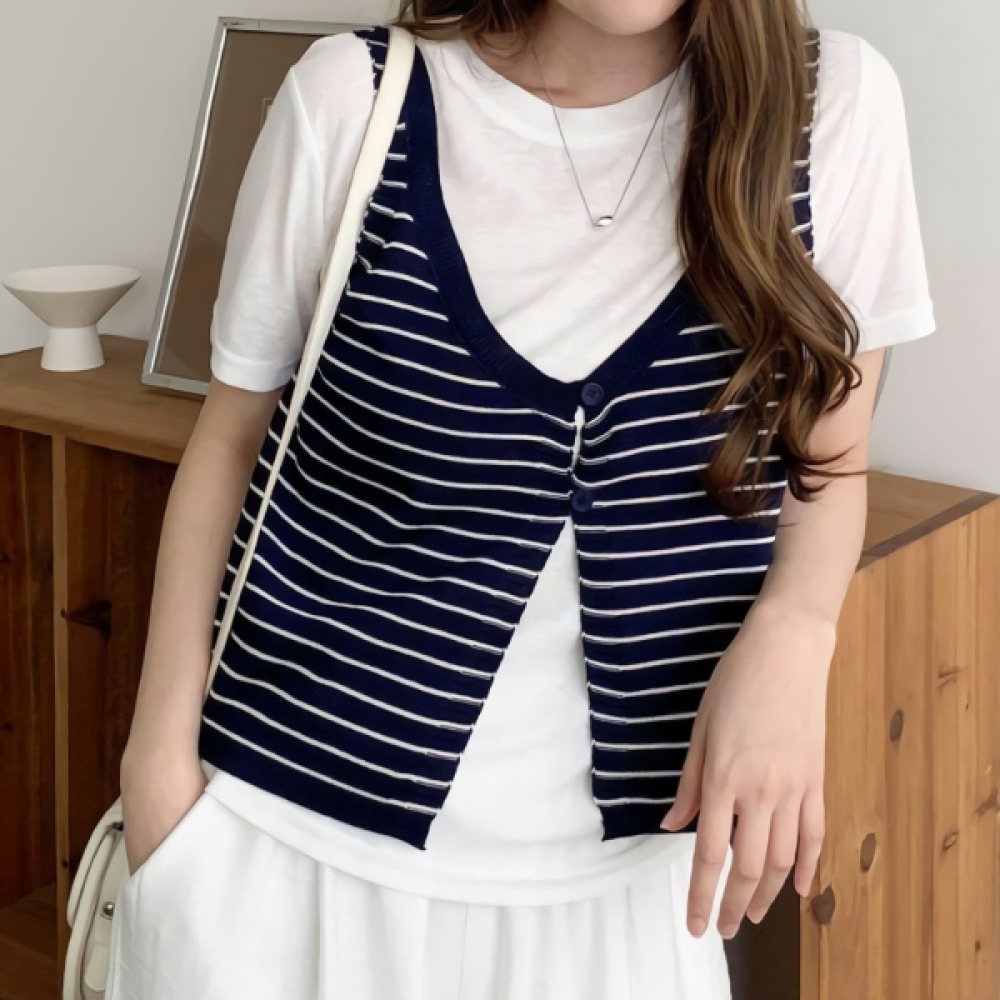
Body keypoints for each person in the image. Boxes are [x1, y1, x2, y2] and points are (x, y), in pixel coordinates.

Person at [110, 1, 936, 997]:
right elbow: (231, 439)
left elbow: (830, 459)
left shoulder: (832, 107)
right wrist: (158, 778)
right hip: (282, 848)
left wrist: (797, 628)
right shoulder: (354, 101)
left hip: (625, 895)